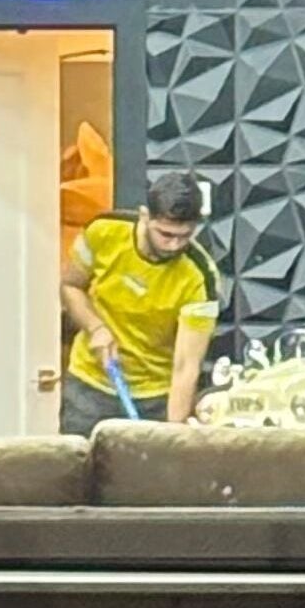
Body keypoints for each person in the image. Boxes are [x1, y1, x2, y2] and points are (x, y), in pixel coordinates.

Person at [58, 170, 221, 433]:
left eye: (184, 236)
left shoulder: (199, 278)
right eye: (165, 234)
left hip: (154, 398)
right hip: (88, 387)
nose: (173, 245)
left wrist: (172, 434)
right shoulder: (104, 231)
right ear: (145, 216)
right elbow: (70, 286)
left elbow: (186, 366)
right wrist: (96, 327)